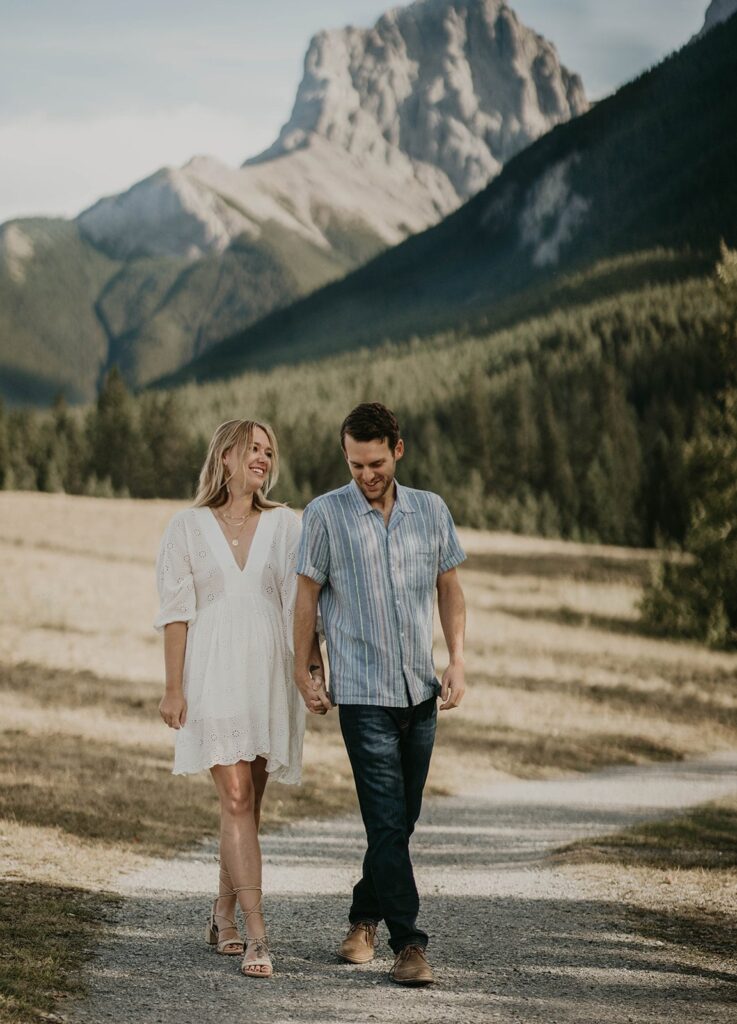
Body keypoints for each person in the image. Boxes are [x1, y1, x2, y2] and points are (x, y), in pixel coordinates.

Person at [293, 402, 467, 986]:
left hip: (420, 694)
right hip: (363, 697)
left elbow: (450, 590)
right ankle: (409, 943)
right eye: (354, 465)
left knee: (401, 819)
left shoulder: (432, 512)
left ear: (398, 448)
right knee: (388, 822)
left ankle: (363, 916)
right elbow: (306, 600)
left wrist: (458, 660)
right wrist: (305, 667)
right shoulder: (324, 515)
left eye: (374, 463)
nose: (365, 475)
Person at [155, 418, 322, 979]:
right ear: (224, 457)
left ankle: (222, 912)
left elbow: (300, 605)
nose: (263, 458)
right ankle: (257, 935)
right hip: (212, 675)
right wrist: (174, 687)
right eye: (253, 448)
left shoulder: (285, 524)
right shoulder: (186, 527)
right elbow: (176, 613)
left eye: (269, 451)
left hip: (268, 675)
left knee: (248, 801)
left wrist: (310, 667)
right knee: (234, 798)